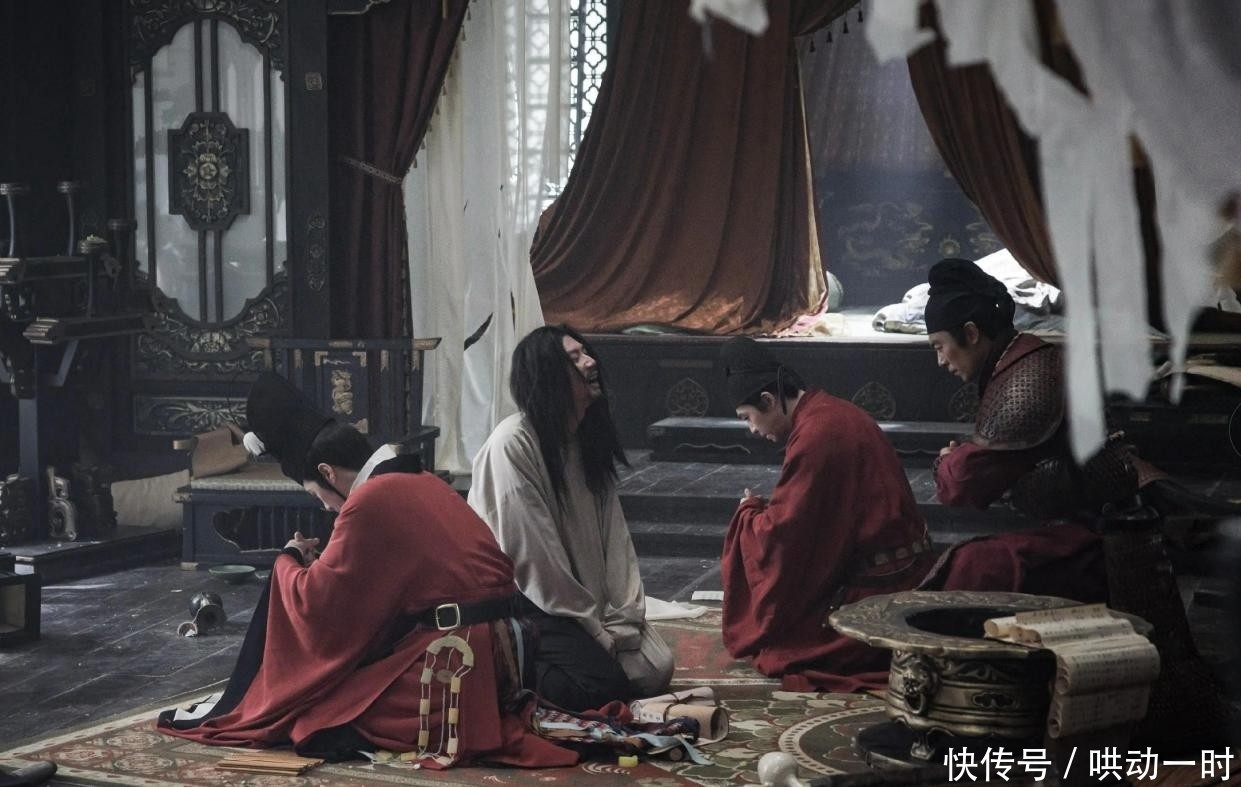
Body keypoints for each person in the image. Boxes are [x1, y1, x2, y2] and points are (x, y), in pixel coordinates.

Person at [158, 372, 577, 769]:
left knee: (315, 720)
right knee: (339, 699)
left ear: (326, 472)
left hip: (458, 659)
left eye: (317, 496)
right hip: (505, 645)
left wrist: (288, 560)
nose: (326, 508)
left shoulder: (369, 501)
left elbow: (318, 604)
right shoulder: (419, 479)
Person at [469, 325, 674, 712]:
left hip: (579, 611)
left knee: (656, 667)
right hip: (529, 606)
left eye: (586, 352)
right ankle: (505, 670)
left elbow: (616, 541)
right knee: (604, 686)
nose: (591, 362)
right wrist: (594, 631)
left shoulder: (585, 440)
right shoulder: (513, 444)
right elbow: (535, 560)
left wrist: (624, 619)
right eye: (575, 358)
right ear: (547, 374)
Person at [719, 337, 936, 692]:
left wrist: (748, 514)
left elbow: (784, 535)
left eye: (748, 418)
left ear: (768, 400)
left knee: (779, 655)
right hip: (903, 569)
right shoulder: (829, 412)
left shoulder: (817, 434)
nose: (752, 430)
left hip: (885, 588)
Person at [918, 258, 1121, 598]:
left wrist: (945, 462)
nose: (940, 360)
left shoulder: (1028, 377)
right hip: (1075, 525)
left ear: (971, 333)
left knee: (972, 566)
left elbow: (962, 485)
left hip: (1098, 538)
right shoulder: (1021, 357)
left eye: (940, 346)